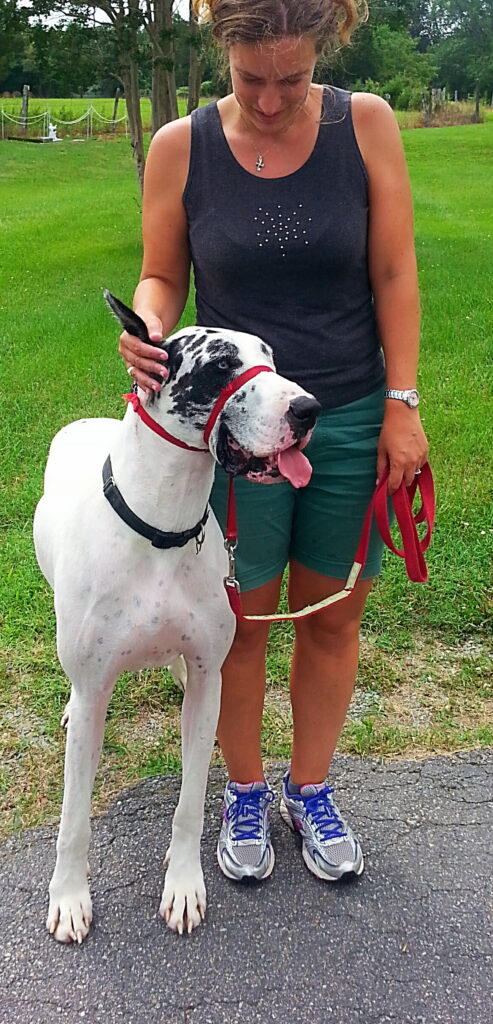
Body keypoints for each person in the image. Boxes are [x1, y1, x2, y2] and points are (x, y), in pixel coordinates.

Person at [118, 0, 429, 884]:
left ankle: (312, 787)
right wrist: (148, 327)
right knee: (241, 623)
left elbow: (394, 270)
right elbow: (162, 272)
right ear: (222, 50)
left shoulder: (363, 125)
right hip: (235, 430)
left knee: (330, 617)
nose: (266, 100)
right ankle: (245, 789)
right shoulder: (182, 147)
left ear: (324, 52)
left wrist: (401, 403)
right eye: (249, 78)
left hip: (345, 415)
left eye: (289, 81)